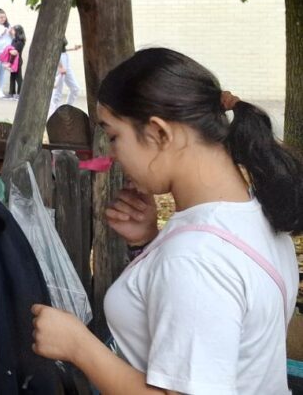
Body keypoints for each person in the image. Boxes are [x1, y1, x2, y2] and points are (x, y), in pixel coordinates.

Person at [32, 47, 302, 394]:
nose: (112, 155)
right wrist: (147, 243)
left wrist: (79, 346)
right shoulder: (253, 214)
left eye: (114, 137)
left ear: (159, 133)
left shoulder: (195, 259)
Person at [48, 39, 82, 117]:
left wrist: (73, 49)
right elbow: (53, 49)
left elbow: (61, 49)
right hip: (59, 60)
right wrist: (60, 66)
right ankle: (53, 116)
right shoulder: (55, 33)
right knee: (57, 93)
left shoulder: (61, 32)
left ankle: (67, 109)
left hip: (65, 58)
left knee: (75, 88)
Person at [5, 24, 25, 99]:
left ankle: (20, 94)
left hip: (17, 62)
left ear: (17, 31)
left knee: (18, 78)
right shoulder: (14, 40)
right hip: (12, 61)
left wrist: (10, 63)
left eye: (13, 30)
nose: (12, 31)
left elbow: (14, 53)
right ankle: (11, 93)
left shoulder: (20, 42)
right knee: (12, 77)